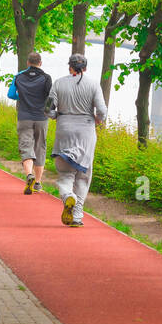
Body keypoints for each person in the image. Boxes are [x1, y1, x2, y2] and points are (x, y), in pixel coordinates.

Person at [49, 54, 106, 227]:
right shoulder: (93, 84)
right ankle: (77, 215)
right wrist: (98, 119)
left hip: (64, 129)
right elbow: (102, 110)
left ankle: (67, 195)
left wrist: (56, 116)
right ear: (86, 68)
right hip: (86, 132)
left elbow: (47, 109)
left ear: (70, 67)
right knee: (83, 175)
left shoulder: (58, 83)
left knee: (66, 173)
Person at [13, 51, 53, 194]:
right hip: (41, 118)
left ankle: (29, 174)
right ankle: (37, 183)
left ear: (27, 63)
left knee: (26, 146)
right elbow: (50, 97)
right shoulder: (46, 78)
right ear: (40, 63)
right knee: (40, 147)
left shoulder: (18, 77)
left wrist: (22, 96)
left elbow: (11, 94)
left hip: (24, 117)